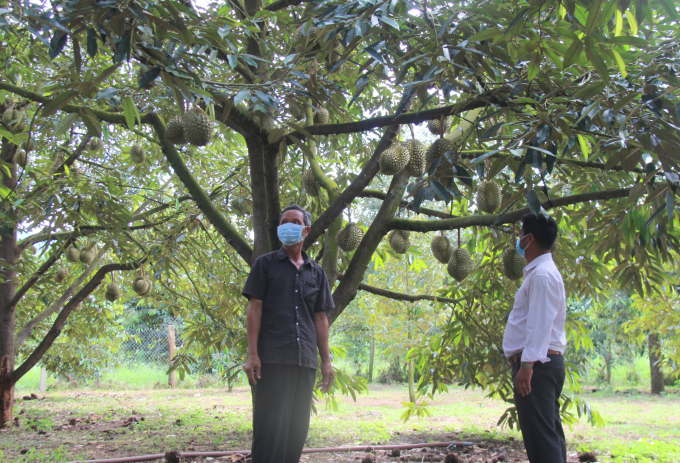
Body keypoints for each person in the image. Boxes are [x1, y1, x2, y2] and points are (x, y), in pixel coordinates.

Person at [242, 204, 335, 463]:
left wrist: (326, 361)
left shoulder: (316, 272)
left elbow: (320, 318)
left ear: (305, 230)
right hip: (272, 360)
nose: (287, 226)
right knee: (269, 431)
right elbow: (254, 309)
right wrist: (252, 354)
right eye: (284, 222)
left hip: (304, 361)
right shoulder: (265, 265)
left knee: (296, 432)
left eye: (294, 222)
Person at [502, 212, 567, 463]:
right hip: (543, 364)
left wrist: (527, 365)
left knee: (541, 440)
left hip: (537, 366)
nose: (518, 241)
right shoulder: (542, 272)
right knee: (549, 435)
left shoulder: (541, 275)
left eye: (519, 235)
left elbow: (539, 324)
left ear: (529, 239)